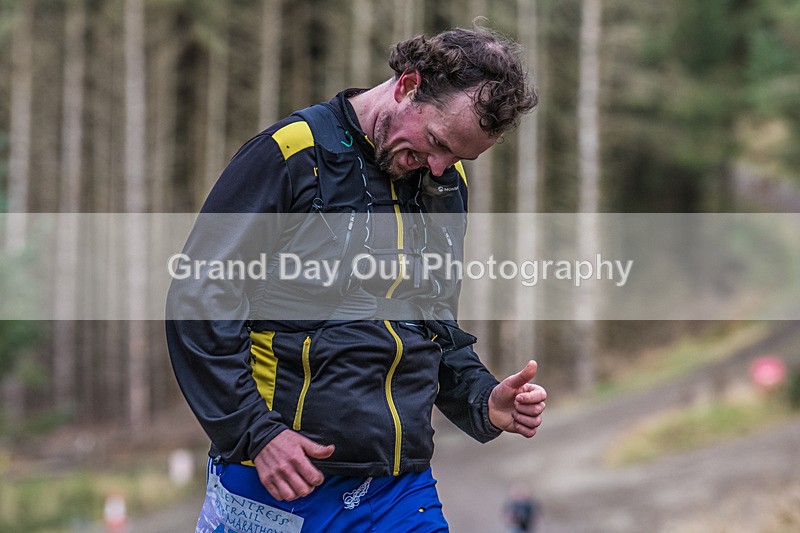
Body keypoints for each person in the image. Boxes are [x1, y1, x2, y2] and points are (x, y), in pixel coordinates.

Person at [167, 25, 546, 533]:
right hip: (280, 477)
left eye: (459, 157)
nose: (439, 167)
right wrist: (255, 432)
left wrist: (483, 397)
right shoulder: (290, 155)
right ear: (408, 85)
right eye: (437, 142)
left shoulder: (444, 186)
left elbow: (431, 324)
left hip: (399, 489)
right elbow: (198, 299)